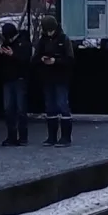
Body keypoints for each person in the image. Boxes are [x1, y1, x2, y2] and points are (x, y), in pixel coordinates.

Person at [33, 15, 75, 147]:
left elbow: (70, 60)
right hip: (47, 77)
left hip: (61, 77)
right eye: (47, 30)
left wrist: (56, 61)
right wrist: (41, 59)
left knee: (62, 105)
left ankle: (65, 137)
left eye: (51, 30)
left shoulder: (64, 39)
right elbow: (35, 58)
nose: (49, 32)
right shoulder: (42, 40)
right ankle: (51, 136)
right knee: (50, 107)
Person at [0, 23, 32, 146]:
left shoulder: (23, 43)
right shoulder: (7, 43)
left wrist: (13, 55)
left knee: (20, 109)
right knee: (9, 109)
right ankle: (11, 136)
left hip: (19, 78)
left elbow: (26, 59)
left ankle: (23, 137)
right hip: (8, 79)